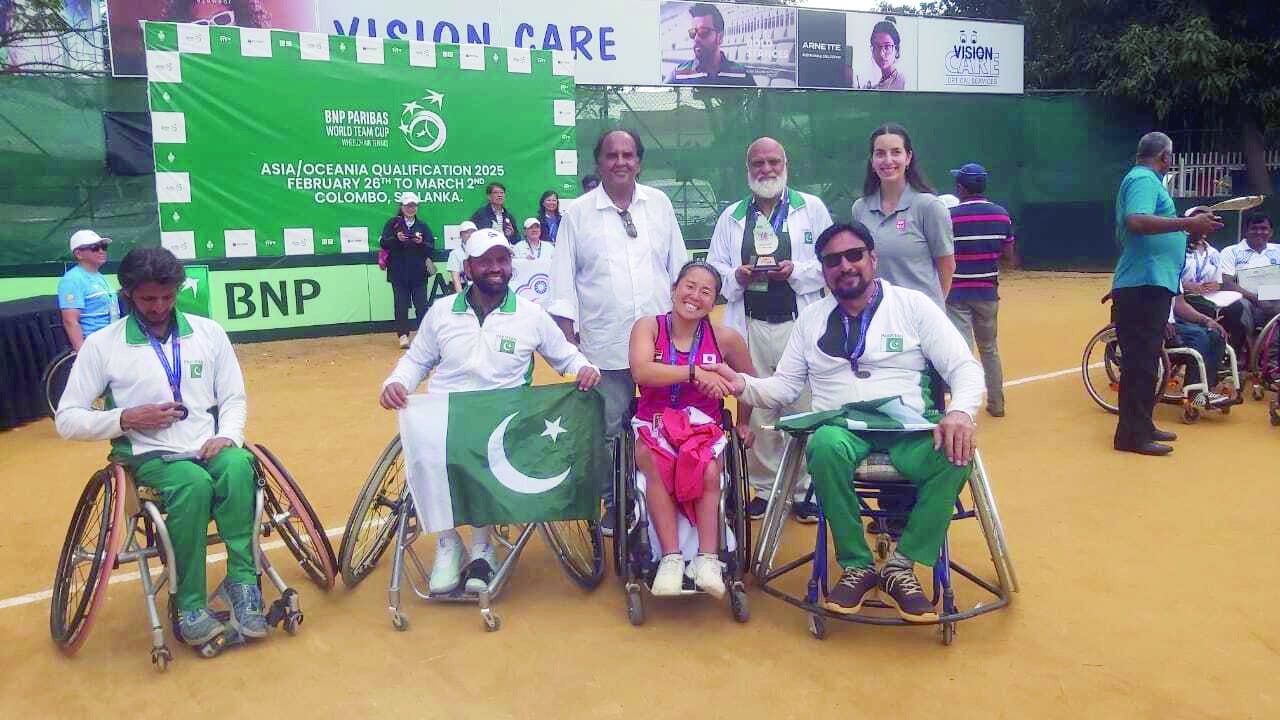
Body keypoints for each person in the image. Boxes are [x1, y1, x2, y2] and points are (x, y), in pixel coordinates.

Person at [711, 222, 984, 622]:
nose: (845, 266)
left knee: (957, 454)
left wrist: (960, 412)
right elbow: (783, 388)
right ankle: (856, 564)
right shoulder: (811, 319)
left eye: (854, 255)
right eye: (833, 260)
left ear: (872, 258)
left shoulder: (913, 306)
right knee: (823, 445)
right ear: (822, 270)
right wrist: (742, 385)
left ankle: (900, 566)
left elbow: (963, 367)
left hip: (908, 428)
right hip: (841, 430)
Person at [55, 247, 263, 649]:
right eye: (148, 298)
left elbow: (233, 397)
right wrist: (125, 419)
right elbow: (67, 419)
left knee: (240, 465)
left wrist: (229, 436)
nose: (159, 306)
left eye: (168, 297)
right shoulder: (103, 345)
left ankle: (242, 583)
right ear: (129, 293)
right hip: (147, 454)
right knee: (192, 485)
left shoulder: (208, 333)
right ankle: (188, 604)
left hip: (208, 445)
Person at [379, 228, 601, 594]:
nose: (495, 268)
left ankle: (483, 547)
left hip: (502, 416)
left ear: (510, 265)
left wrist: (583, 369)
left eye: (501, 259)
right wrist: (395, 382)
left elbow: (565, 356)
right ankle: (448, 544)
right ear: (468, 267)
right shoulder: (441, 312)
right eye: (485, 261)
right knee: (428, 454)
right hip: (446, 414)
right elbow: (416, 360)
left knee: (484, 456)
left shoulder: (530, 314)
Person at [549, 128, 688, 536]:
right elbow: (562, 277)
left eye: (629, 155)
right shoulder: (577, 213)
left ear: (639, 162)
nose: (621, 162)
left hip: (661, 346)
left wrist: (685, 326)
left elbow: (677, 266)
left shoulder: (659, 204)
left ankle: (673, 495)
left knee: (667, 422)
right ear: (599, 162)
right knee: (610, 429)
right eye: (612, 155)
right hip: (605, 342)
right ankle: (616, 501)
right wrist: (567, 329)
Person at [707, 137, 833, 522]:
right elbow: (714, 272)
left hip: (800, 322)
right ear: (748, 169)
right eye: (758, 163)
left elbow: (829, 263)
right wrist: (737, 276)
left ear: (785, 163)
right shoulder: (731, 216)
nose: (766, 169)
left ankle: (804, 490)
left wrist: (798, 271)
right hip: (750, 323)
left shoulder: (810, 208)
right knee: (758, 406)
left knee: (803, 404)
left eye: (773, 161)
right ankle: (763, 487)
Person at [628, 261, 755, 597]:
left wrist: (742, 421)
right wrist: (695, 372)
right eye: (689, 286)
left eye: (705, 291)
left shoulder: (726, 339)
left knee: (710, 471)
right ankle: (670, 558)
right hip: (654, 421)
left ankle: (708, 559)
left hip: (702, 425)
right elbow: (641, 372)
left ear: (714, 302)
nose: (694, 296)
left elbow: (747, 383)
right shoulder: (649, 327)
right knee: (654, 463)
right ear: (674, 288)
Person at [1111, 132, 1222, 456]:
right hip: (1142, 285)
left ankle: (1142, 426)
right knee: (1140, 362)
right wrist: (1186, 225)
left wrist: (1188, 227)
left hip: (1152, 283)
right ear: (1166, 157)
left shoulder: (1147, 180)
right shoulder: (1143, 179)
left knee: (1147, 361)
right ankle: (1131, 436)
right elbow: (1137, 221)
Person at [850, 123, 955, 310]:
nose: (888, 160)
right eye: (880, 153)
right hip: (876, 315)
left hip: (919, 319)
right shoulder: (860, 208)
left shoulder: (929, 206)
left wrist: (933, 311)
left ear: (908, 157)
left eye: (896, 152)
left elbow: (946, 266)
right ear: (872, 161)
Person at [945, 163, 1017, 418]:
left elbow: (942, 255)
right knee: (989, 349)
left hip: (956, 293)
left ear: (960, 188)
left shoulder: (949, 216)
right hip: (987, 292)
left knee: (961, 353)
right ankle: (997, 404)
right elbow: (1009, 257)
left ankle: (962, 408)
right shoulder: (1001, 215)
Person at [1180, 207, 1248, 359]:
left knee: (1236, 309)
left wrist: (1214, 286)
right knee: (1208, 310)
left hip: (1208, 296)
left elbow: (1218, 282)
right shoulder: (1178, 248)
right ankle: (1210, 351)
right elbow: (1169, 277)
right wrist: (1186, 286)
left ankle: (1230, 356)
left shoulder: (1213, 253)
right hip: (1183, 297)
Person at [380, 192, 436, 349]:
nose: (411, 208)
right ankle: (403, 335)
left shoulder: (423, 226)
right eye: (408, 206)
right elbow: (384, 243)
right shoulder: (393, 224)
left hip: (418, 273)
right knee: (401, 304)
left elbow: (431, 248)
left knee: (421, 305)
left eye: (414, 206)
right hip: (398, 273)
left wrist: (421, 242)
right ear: (401, 206)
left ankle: (424, 336)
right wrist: (396, 239)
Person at [58, 229, 120, 352]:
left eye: (103, 246)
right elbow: (70, 320)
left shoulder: (100, 277)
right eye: (94, 248)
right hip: (93, 346)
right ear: (79, 254)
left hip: (111, 342)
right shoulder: (72, 279)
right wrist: (82, 354)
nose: (101, 251)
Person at [666, 3, 756, 86]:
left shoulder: (742, 75)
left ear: (719, 37)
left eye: (703, 32)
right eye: (693, 33)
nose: (696, 39)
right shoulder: (678, 75)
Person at [1220, 212, 1280, 336]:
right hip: (1245, 299)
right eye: (1254, 228)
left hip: (1274, 296)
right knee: (1240, 307)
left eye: (1263, 229)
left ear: (1271, 232)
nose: (1259, 232)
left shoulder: (1278, 251)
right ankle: (1247, 350)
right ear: (1246, 232)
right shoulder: (1230, 252)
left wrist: (1267, 296)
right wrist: (1257, 299)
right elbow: (1227, 283)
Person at [1170, 291, 1231, 408]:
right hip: (1155, 321)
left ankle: (1207, 389)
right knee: (1199, 336)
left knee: (1216, 335)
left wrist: (1207, 320)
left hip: (1175, 320)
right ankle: (1195, 393)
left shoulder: (1173, 275)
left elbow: (1179, 304)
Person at [860, 17, 907, 90]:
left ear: (897, 50)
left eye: (887, 47)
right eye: (878, 47)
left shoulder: (904, 83)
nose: (881, 54)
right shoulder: (876, 86)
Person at [447, 221, 477, 294]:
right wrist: (460, 297)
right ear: (461, 235)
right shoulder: (454, 254)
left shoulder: (482, 250)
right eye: (467, 232)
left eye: (473, 232)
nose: (470, 235)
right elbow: (456, 279)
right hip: (464, 288)